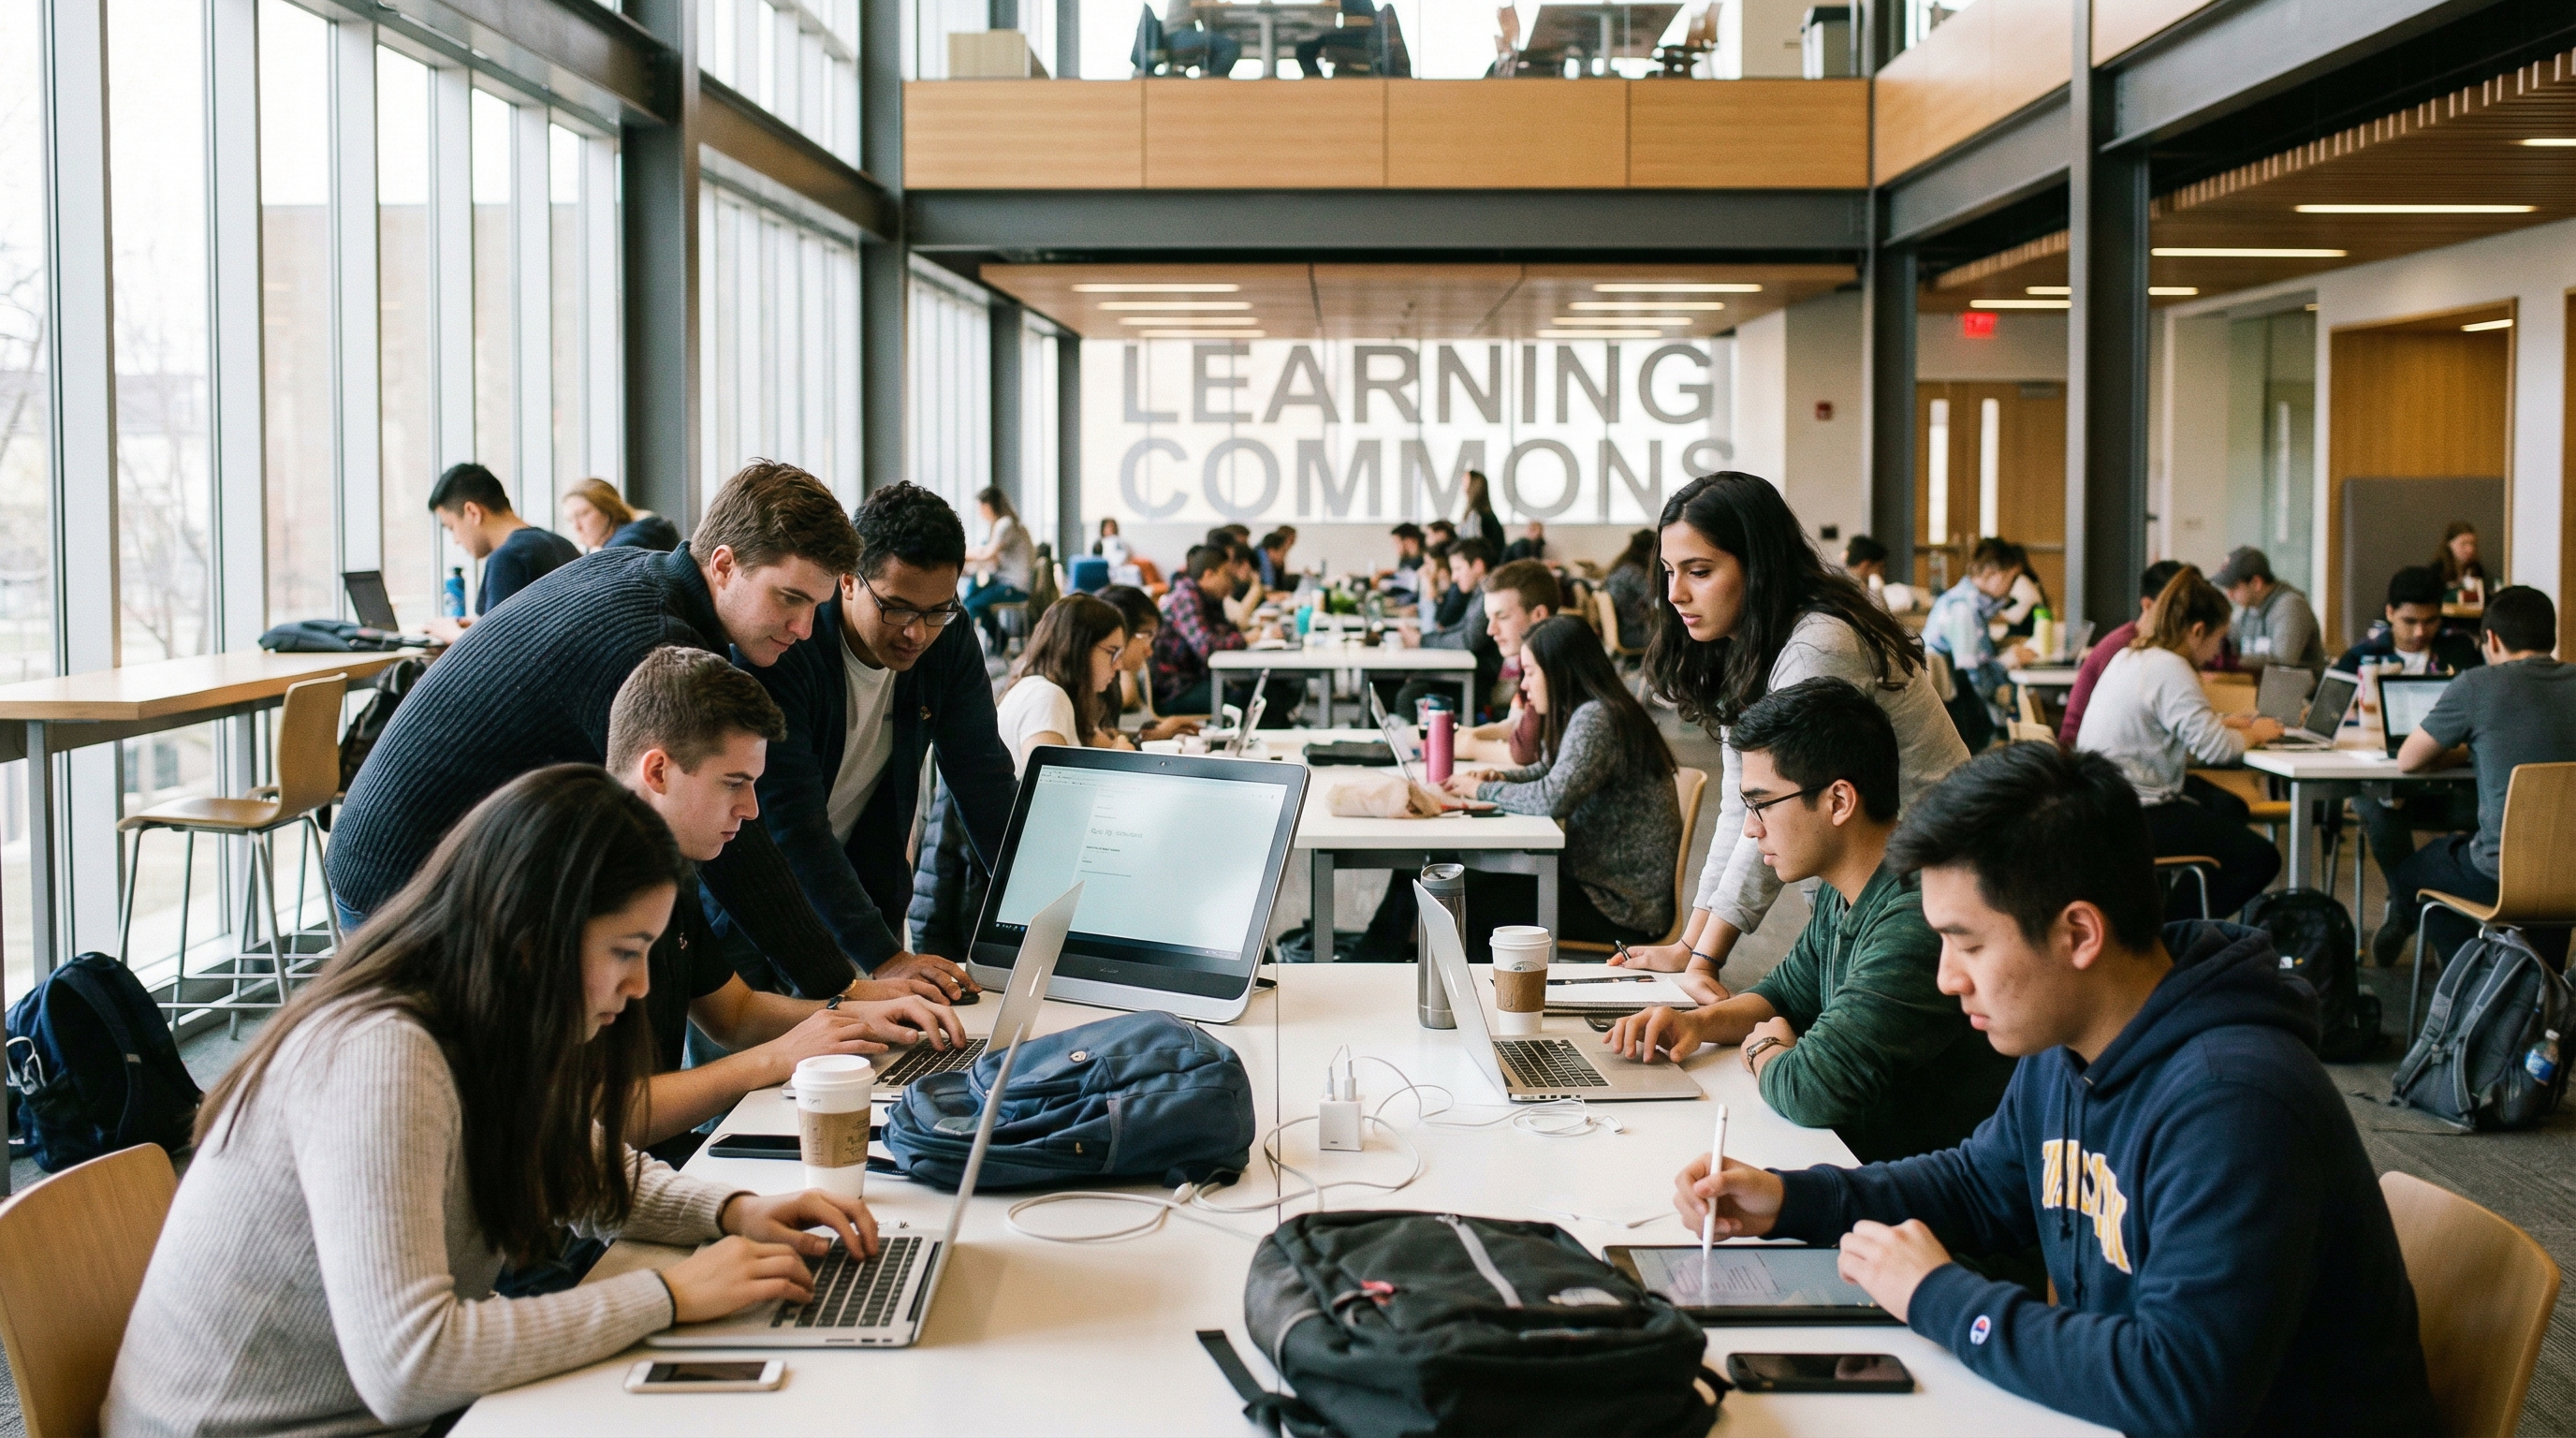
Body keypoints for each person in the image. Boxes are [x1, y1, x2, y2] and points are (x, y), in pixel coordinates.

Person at [1672, 741, 2437, 1438]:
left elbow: (2181, 1390)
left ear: (2078, 934)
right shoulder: (2070, 1039)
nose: (1946, 976)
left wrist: (1940, 1297)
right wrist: (1791, 1198)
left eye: (1967, 943)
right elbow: (1981, 1185)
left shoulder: (2236, 1103)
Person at [107, 767, 890, 1436]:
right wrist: (669, 1294)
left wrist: (732, 1211)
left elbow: (575, 1158)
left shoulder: (472, 1017)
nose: (643, 987)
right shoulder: (382, 1054)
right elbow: (411, 1363)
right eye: (625, 953)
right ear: (530, 936)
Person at [329, 462, 946, 1005]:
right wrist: (845, 987)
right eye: (790, 599)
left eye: (814, 606)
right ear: (725, 564)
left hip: (446, 856)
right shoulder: (653, 638)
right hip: (405, 875)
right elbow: (737, 846)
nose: (804, 628)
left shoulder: (646, 575)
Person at [1609, 679, 2013, 1163]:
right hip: (1851, 1164)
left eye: (1762, 804)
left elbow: (1813, 1087)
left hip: (1900, 1189)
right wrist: (1696, 1024)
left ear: (1838, 801)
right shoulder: (1844, 889)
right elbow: (1784, 995)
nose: (1751, 827)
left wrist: (1765, 1052)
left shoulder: (1916, 913)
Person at [1611, 473, 1968, 995]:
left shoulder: (1817, 647)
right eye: (1668, 572)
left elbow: (1774, 808)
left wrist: (1705, 959)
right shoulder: (1753, 642)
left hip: (1926, 891)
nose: (1676, 594)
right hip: (1873, 890)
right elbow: (1745, 808)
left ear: (1757, 567)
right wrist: (1689, 947)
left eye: (1700, 571)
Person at [606, 648, 964, 1160]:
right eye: (735, 783)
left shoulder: (666, 868)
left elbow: (735, 1012)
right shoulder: (575, 892)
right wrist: (775, 1058)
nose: (751, 810)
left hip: (650, 1169)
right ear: (658, 770)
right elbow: (594, 1116)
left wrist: (861, 1012)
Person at [746, 482, 1017, 1000]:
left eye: (937, 609)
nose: (916, 632)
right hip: (759, 894)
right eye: (896, 608)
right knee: (751, 1070)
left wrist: (1033, 915)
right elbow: (789, 823)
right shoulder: (787, 644)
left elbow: (983, 779)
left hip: (863, 895)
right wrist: (886, 957)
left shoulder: (949, 635)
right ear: (847, 579)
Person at [1356, 616, 1681, 961]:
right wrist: (1499, 777)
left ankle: (1386, 974)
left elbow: (1551, 796)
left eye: (1530, 672)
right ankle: (1375, 965)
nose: (1524, 686)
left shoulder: (1596, 718)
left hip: (1618, 906)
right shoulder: (1594, 710)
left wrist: (1480, 791)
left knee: (1459, 899)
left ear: (1560, 672)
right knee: (1427, 877)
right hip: (1606, 888)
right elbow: (1550, 771)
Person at [2072, 566, 2283, 919]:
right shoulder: (2171, 667)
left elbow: (2166, 725)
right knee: (2260, 857)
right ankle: (2173, 931)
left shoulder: (2133, 655)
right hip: (2135, 811)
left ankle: (2174, 922)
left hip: (2100, 802)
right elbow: (2215, 749)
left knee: (2226, 808)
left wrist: (2221, 724)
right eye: (2218, 639)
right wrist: (2256, 733)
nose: (2217, 651)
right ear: (2198, 631)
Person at [2393, 585, 2576, 964]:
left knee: (2411, 872)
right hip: (2571, 871)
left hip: (2500, 875)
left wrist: (2462, 749)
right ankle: (2533, 985)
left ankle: (2471, 976)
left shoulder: (2476, 684)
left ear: (2490, 638)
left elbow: (2408, 760)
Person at [424, 462, 581, 640]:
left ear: (473, 512)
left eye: (452, 527)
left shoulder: (508, 558)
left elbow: (496, 647)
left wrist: (451, 634)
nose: (456, 540)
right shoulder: (563, 545)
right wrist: (481, 625)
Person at [1922, 537, 2037, 753]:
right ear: (1993, 572)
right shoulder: (1962, 611)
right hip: (1970, 725)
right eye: (2011, 579)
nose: (2011, 589)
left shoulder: (1965, 602)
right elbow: (1975, 681)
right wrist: (2009, 660)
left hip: (1965, 715)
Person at [2056, 560, 2186, 748]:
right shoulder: (2124, 649)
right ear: (2148, 605)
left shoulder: (2136, 644)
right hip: (2083, 757)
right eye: (2175, 610)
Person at [995, 594, 1130, 772]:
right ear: (1078, 648)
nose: (1119, 665)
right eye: (1111, 652)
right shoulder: (1047, 697)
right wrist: (1118, 761)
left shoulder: (1040, 688)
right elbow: (1048, 789)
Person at [1463, 558, 1559, 765]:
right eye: (1489, 618)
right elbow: (1516, 724)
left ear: (1539, 615)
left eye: (1502, 617)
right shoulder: (1531, 658)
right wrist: (1467, 734)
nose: (1491, 630)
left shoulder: (1556, 665)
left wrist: (1467, 746)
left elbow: (1530, 755)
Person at [1401, 536, 1502, 721]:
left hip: (1476, 683)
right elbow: (1459, 630)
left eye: (1458, 569)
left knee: (1408, 696)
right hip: (1468, 675)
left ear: (1478, 565)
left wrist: (1422, 641)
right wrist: (1424, 639)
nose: (1454, 576)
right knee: (1403, 686)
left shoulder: (1488, 595)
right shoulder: (1478, 594)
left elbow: (1468, 639)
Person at [2334, 564, 2483, 679]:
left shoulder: (2461, 650)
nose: (2420, 632)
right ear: (2390, 613)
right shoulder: (2362, 656)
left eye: (2430, 621)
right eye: (2410, 622)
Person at [1153, 544, 1251, 715]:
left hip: (1193, 679)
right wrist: (1246, 640)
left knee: (1261, 691)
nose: (1230, 581)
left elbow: (1223, 631)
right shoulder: (1186, 597)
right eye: (1226, 574)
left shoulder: (1201, 596)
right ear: (1208, 574)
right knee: (1253, 698)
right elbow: (1206, 646)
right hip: (1176, 689)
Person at [1097, 584, 1200, 744]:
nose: (1150, 651)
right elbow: (1094, 748)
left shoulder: (1108, 680)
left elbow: (1105, 737)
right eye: (1147, 635)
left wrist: (1150, 734)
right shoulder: (1089, 685)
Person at [2213, 545, 2324, 675]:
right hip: (2259, 689)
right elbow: (2228, 648)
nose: (2229, 595)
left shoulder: (2291, 606)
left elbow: (2282, 662)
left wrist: (2230, 661)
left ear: (2256, 583)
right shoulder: (2245, 610)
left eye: (2234, 587)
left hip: (2300, 693)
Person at [961, 485, 1035, 649]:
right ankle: (968, 643)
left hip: (1014, 587)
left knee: (972, 603)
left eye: (981, 507)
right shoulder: (1010, 523)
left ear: (988, 505)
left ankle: (999, 643)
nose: (980, 512)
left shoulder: (1005, 524)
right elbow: (992, 558)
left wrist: (960, 553)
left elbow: (988, 554)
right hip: (1012, 583)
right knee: (972, 595)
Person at [561, 477, 681, 553]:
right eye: (570, 520)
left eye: (582, 514)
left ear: (609, 510)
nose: (576, 527)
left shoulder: (630, 544)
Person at [1603, 527, 1656, 651]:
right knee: (1678, 635)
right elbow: (1655, 600)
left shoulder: (1621, 567)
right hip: (1632, 633)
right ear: (1649, 552)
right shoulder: (1633, 573)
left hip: (1620, 631)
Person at [1157, 0, 1242, 75]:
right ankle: (1213, 83)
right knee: (1230, 46)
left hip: (1176, 35)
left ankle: (1209, 81)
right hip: (1178, 36)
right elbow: (1207, 3)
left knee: (1217, 46)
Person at [2430, 520, 2488, 607]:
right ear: (2450, 543)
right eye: (2463, 544)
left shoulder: (2476, 568)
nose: (2470, 549)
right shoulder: (2438, 568)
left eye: (2472, 544)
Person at [1458, 469, 1505, 547]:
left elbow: (1472, 546)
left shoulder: (1475, 516)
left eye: (1464, 482)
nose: (1462, 486)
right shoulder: (1487, 515)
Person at [1257, 527, 1296, 592]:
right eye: (1282, 551)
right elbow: (1269, 586)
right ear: (1271, 551)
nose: (1283, 556)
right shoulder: (1263, 557)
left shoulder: (1262, 550)